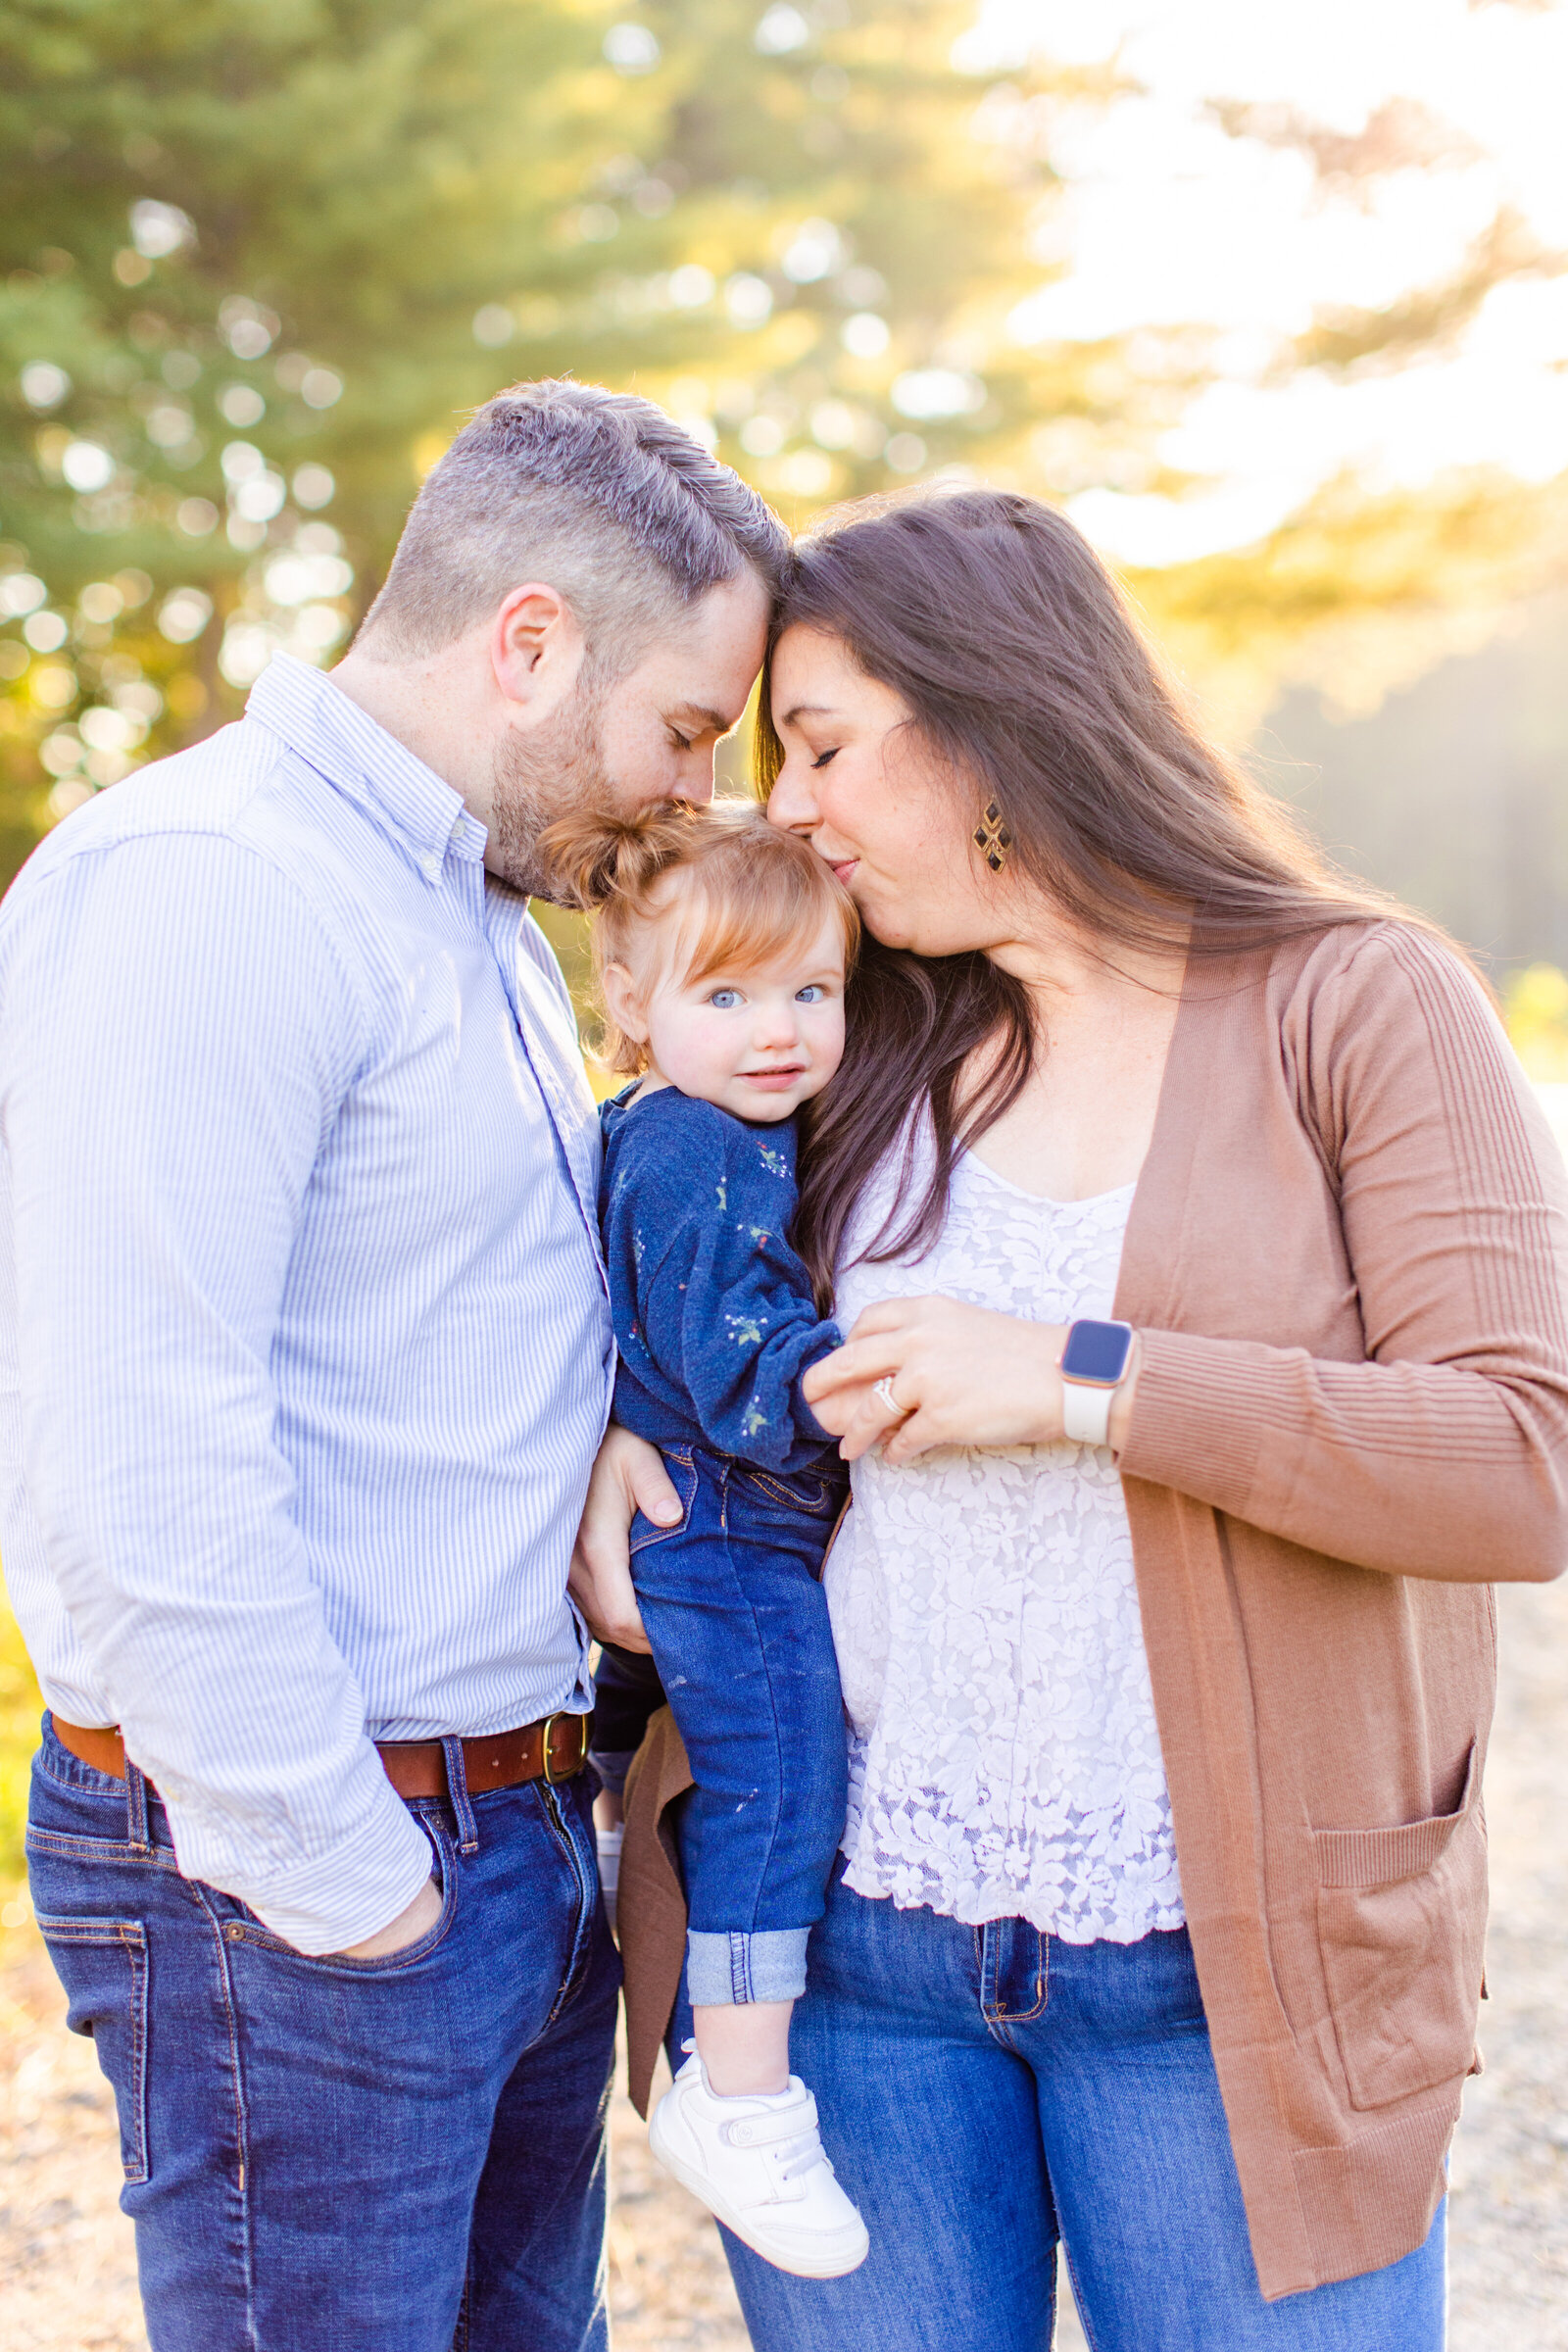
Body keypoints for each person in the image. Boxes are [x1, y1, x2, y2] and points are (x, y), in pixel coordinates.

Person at [581, 486, 1568, 2351]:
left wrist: (1082, 1379)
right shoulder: (857, 1038)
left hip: (1229, 1976)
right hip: (847, 1960)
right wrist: (607, 1457)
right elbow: (656, 1268)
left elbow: (1524, 1460)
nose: (790, 804)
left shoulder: (1354, 1002)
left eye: (825, 743)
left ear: (992, 716)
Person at [0, 380, 784, 2352]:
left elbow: (426, 1344)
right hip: (323, 1880)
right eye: (683, 727)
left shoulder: (474, 925)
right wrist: (349, 1895)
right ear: (527, 641)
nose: (694, 792)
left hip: (508, 1844)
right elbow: (130, 1461)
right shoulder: (209, 888)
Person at [555, 799, 868, 2278]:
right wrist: (867, 1375)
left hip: (700, 1521)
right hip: (724, 1527)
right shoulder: (694, 1151)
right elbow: (740, 1363)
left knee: (696, 1766)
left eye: (812, 990)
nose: (778, 1032)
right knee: (784, 1773)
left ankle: (628, 1856)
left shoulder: (692, 1128)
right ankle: (742, 2095)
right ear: (631, 1004)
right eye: (725, 994)